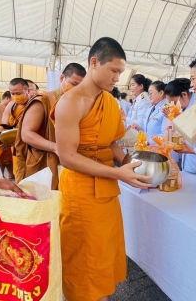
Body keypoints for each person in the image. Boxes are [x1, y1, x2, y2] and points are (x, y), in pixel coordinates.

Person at [51, 37, 150, 301]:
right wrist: (119, 173)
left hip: (106, 191)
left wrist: (130, 164)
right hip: (80, 193)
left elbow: (113, 143)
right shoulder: (69, 103)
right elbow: (68, 157)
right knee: (82, 261)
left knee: (102, 256)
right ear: (95, 63)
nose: (118, 78)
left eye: (121, 72)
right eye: (114, 71)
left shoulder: (109, 101)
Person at [16, 63, 86, 189]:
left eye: (81, 87)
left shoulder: (76, 104)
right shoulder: (44, 100)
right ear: (61, 78)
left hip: (68, 164)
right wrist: (55, 147)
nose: (76, 89)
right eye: (74, 84)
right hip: (43, 165)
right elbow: (27, 134)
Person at [163, 78, 196, 175]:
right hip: (188, 160)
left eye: (174, 102)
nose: (172, 105)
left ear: (184, 95)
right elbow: (171, 131)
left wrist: (179, 119)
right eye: (170, 103)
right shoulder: (183, 108)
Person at [0, 78, 30, 177]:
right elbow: (4, 126)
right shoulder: (11, 106)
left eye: (18, 93)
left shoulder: (35, 104)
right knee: (20, 175)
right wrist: (5, 140)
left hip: (32, 148)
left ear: (27, 91)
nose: (15, 97)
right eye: (12, 94)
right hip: (17, 147)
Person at [0, 91, 14, 178]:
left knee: (8, 157)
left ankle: (10, 174)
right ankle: (0, 176)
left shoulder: (8, 107)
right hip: (1, 135)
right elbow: (1, 123)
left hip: (7, 133)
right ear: (7, 98)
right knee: (1, 157)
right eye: (13, 96)